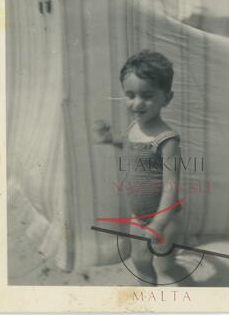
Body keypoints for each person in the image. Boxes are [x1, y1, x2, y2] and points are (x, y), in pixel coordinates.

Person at [94, 49, 183, 286]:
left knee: (166, 263)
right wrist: (109, 138)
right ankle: (147, 300)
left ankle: (172, 274)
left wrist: (158, 224)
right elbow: (128, 143)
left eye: (147, 95)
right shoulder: (135, 126)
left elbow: (171, 186)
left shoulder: (167, 139)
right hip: (138, 216)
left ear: (167, 98)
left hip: (163, 218)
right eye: (130, 95)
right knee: (140, 261)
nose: (137, 103)